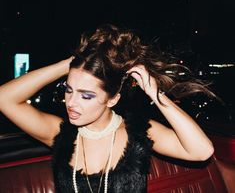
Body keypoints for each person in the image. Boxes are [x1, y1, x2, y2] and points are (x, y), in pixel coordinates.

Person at [0, 24, 215, 193]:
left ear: (112, 99)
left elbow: (201, 151)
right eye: (69, 90)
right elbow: (4, 98)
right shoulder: (59, 134)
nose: (71, 102)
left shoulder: (138, 132)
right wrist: (69, 64)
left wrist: (155, 94)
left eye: (86, 95)